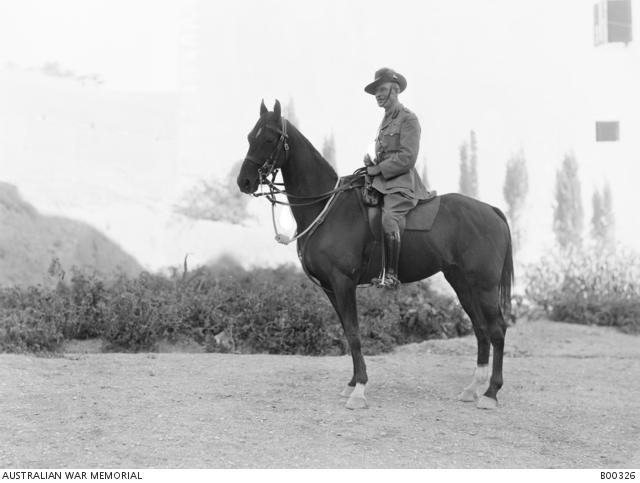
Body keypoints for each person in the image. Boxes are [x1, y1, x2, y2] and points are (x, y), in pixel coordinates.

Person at [363, 67, 429, 288]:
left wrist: (379, 169)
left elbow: (407, 157)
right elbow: (385, 152)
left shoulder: (408, 119)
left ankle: (390, 275)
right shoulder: (385, 121)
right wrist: (371, 162)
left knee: (389, 218)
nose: (378, 95)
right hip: (381, 181)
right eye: (376, 92)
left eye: (382, 90)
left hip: (400, 183)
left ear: (395, 90)